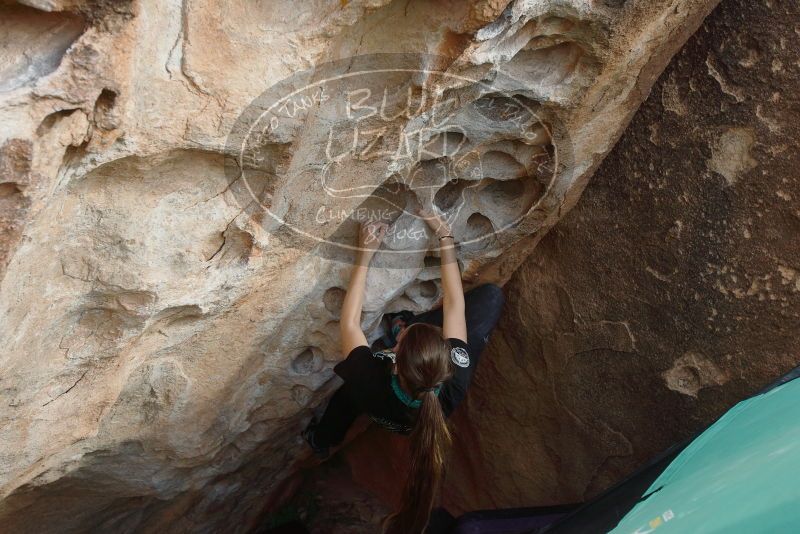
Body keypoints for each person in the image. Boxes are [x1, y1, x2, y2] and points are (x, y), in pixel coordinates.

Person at [302, 210, 504, 534]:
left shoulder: (368, 377)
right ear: (445, 353)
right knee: (492, 297)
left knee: (347, 397)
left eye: (403, 336)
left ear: (393, 356)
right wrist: (445, 236)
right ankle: (406, 324)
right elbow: (455, 307)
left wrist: (364, 252)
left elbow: (350, 323)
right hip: (406, 414)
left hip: (374, 398)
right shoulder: (454, 373)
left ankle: (322, 438)